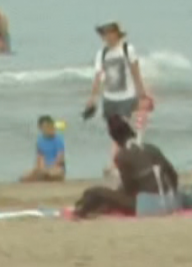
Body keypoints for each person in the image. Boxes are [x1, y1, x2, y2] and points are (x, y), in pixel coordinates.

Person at [72, 114, 179, 218]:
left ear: (114, 138)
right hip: (171, 203)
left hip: (147, 206)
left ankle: (81, 211)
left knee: (94, 191)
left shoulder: (122, 156)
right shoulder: (151, 148)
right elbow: (173, 175)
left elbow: (129, 189)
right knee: (114, 194)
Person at [83, 22, 153, 170]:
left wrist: (141, 93)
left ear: (117, 34)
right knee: (114, 133)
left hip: (127, 96)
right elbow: (99, 76)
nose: (107, 37)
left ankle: (116, 163)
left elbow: (135, 71)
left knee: (122, 130)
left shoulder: (127, 49)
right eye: (104, 34)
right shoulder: (101, 53)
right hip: (109, 98)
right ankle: (122, 161)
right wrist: (93, 97)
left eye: (110, 33)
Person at [21, 115, 65, 182]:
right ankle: (43, 176)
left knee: (53, 173)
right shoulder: (40, 140)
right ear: (40, 128)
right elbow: (40, 158)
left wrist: (49, 169)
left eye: (51, 126)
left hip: (56, 168)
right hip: (44, 168)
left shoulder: (58, 139)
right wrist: (41, 169)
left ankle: (44, 177)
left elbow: (59, 159)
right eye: (47, 127)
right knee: (24, 176)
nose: (50, 129)